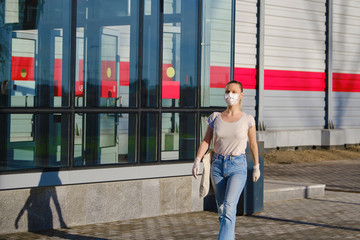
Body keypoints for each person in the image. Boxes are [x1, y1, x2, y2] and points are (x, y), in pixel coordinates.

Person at [192, 80, 260, 240]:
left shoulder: (248, 119)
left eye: (234, 92)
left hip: (238, 166)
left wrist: (256, 165)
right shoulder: (215, 118)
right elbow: (206, 141)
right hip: (217, 166)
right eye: (228, 91)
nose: (231, 95)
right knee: (222, 210)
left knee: (229, 208)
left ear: (241, 95)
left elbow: (253, 144)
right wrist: (197, 159)